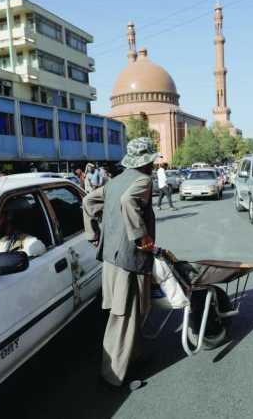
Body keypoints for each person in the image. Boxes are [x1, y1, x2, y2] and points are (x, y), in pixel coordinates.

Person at [82, 137, 158, 390]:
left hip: (111, 258)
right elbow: (128, 202)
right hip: (128, 260)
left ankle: (133, 357)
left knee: (131, 312)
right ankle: (113, 376)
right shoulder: (143, 180)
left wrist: (93, 234)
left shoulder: (114, 181)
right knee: (123, 317)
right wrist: (142, 237)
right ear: (147, 161)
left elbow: (87, 201)